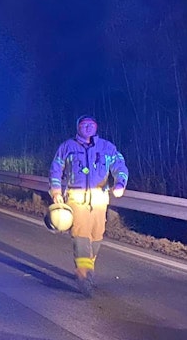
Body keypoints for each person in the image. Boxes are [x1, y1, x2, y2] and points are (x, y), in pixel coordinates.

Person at [48, 115, 129, 296]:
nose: (87, 128)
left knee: (96, 237)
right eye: (84, 125)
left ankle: (86, 265)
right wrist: (56, 192)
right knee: (81, 235)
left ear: (96, 127)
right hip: (77, 199)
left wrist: (120, 184)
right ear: (78, 127)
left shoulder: (107, 147)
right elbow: (55, 169)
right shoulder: (67, 147)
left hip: (99, 200)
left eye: (91, 125)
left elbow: (120, 166)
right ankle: (84, 276)